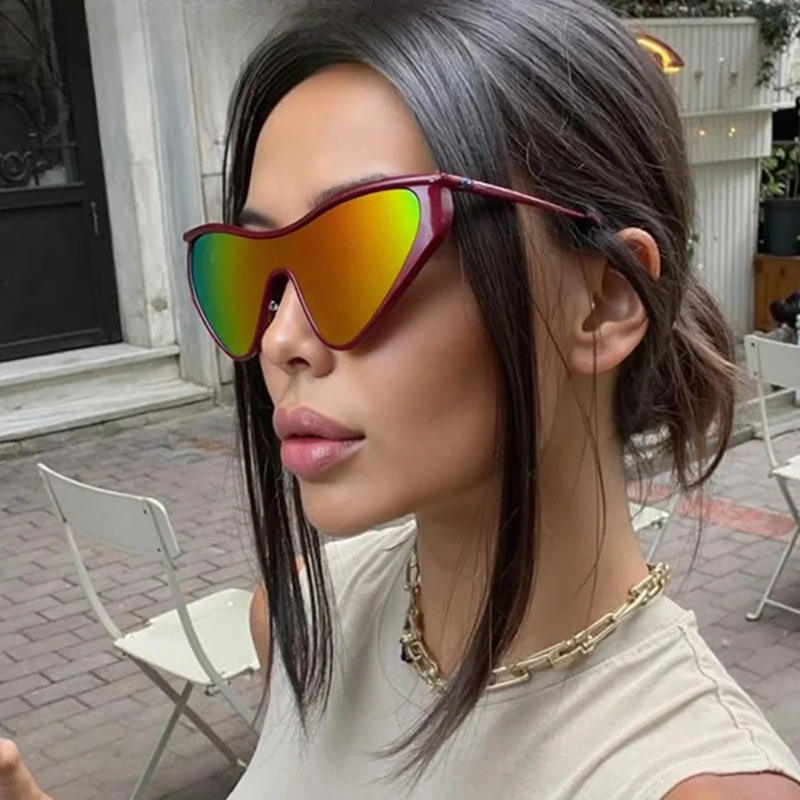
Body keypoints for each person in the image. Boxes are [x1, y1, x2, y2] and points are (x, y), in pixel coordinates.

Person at [4, 0, 800, 797]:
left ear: (600, 304)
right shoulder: (301, 617)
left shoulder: (696, 785)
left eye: (359, 252)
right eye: (253, 272)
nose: (279, 339)